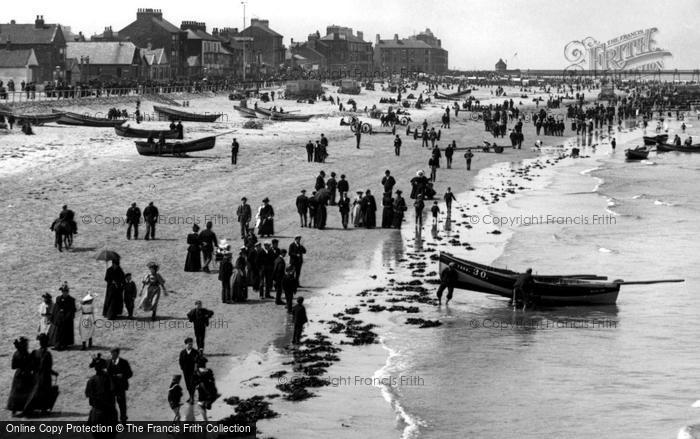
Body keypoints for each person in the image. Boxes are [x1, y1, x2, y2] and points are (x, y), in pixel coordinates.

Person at [23, 334, 58, 415]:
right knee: (45, 392)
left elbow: (30, 364)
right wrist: (54, 373)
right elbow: (48, 368)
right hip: (45, 376)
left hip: (36, 375)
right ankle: (43, 409)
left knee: (36, 391)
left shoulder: (35, 352)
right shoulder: (47, 354)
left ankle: (32, 408)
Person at [85, 354, 118, 430]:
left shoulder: (91, 380)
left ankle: (89, 424)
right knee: (114, 413)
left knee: (92, 412)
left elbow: (88, 394)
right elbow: (115, 391)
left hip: (97, 406)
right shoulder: (110, 378)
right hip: (109, 406)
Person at [7, 337, 33, 416]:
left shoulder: (16, 353)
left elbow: (13, 366)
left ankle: (14, 409)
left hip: (18, 375)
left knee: (15, 392)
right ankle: (25, 409)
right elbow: (31, 364)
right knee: (26, 392)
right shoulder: (26, 353)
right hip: (26, 375)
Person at [107, 348, 133, 423]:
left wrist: (123, 375)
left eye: (114, 353)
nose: (112, 355)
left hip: (121, 387)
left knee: (122, 405)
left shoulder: (124, 362)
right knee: (111, 405)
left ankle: (123, 420)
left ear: (117, 353)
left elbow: (130, 373)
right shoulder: (108, 362)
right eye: (111, 353)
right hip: (111, 387)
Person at [50, 282, 76, 350]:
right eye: (63, 291)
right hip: (59, 318)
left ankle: (64, 344)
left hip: (67, 318)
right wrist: (55, 317)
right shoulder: (58, 298)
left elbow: (72, 309)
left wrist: (67, 317)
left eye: (65, 291)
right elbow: (56, 308)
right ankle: (57, 344)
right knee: (58, 332)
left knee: (66, 332)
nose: (64, 293)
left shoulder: (71, 300)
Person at [193, 357, 219, 421]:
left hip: (201, 390)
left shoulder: (196, 372)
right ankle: (209, 402)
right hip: (210, 390)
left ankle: (205, 420)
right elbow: (213, 381)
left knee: (201, 405)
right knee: (209, 399)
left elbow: (194, 383)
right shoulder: (209, 371)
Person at [179, 338, 199, 403]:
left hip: (193, 372)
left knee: (192, 385)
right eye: (189, 344)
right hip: (185, 371)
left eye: (191, 344)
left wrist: (196, 368)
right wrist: (182, 368)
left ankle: (192, 398)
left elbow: (198, 361)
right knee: (187, 385)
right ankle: (191, 396)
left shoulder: (195, 352)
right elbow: (180, 361)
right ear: (186, 345)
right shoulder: (182, 352)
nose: (190, 345)